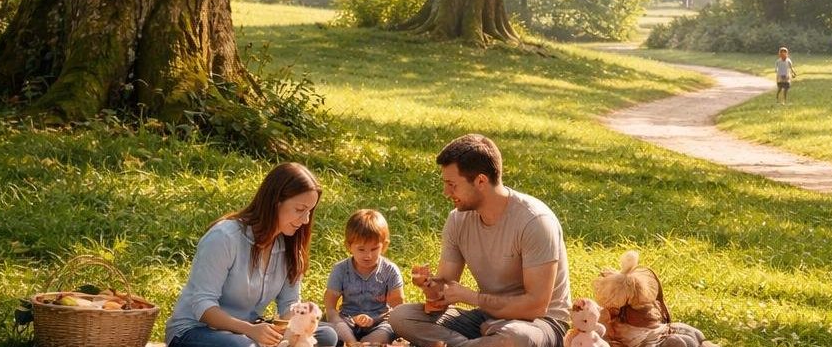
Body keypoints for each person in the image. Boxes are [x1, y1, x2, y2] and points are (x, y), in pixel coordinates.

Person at [388, 134, 570, 347]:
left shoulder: (535, 221)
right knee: (401, 316)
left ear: (481, 181)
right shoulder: (458, 219)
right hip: (488, 318)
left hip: (539, 324)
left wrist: (472, 297)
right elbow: (445, 283)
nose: (446, 192)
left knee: (514, 337)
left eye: (452, 184)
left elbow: (536, 306)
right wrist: (431, 287)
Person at [166, 163, 338, 347]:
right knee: (243, 346)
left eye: (309, 212)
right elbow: (203, 306)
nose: (305, 220)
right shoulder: (224, 237)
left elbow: (289, 303)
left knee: (327, 335)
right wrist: (249, 330)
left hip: (249, 332)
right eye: (299, 210)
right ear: (275, 201)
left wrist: (300, 324)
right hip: (196, 331)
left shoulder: (290, 246)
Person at [325, 209, 405, 346]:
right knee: (333, 327)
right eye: (361, 249)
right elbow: (330, 307)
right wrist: (345, 321)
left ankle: (365, 343)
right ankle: (351, 342)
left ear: (384, 246)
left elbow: (398, 308)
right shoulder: (341, 269)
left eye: (374, 249)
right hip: (348, 320)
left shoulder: (390, 270)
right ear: (349, 246)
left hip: (379, 323)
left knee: (384, 333)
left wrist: (375, 320)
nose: (368, 256)